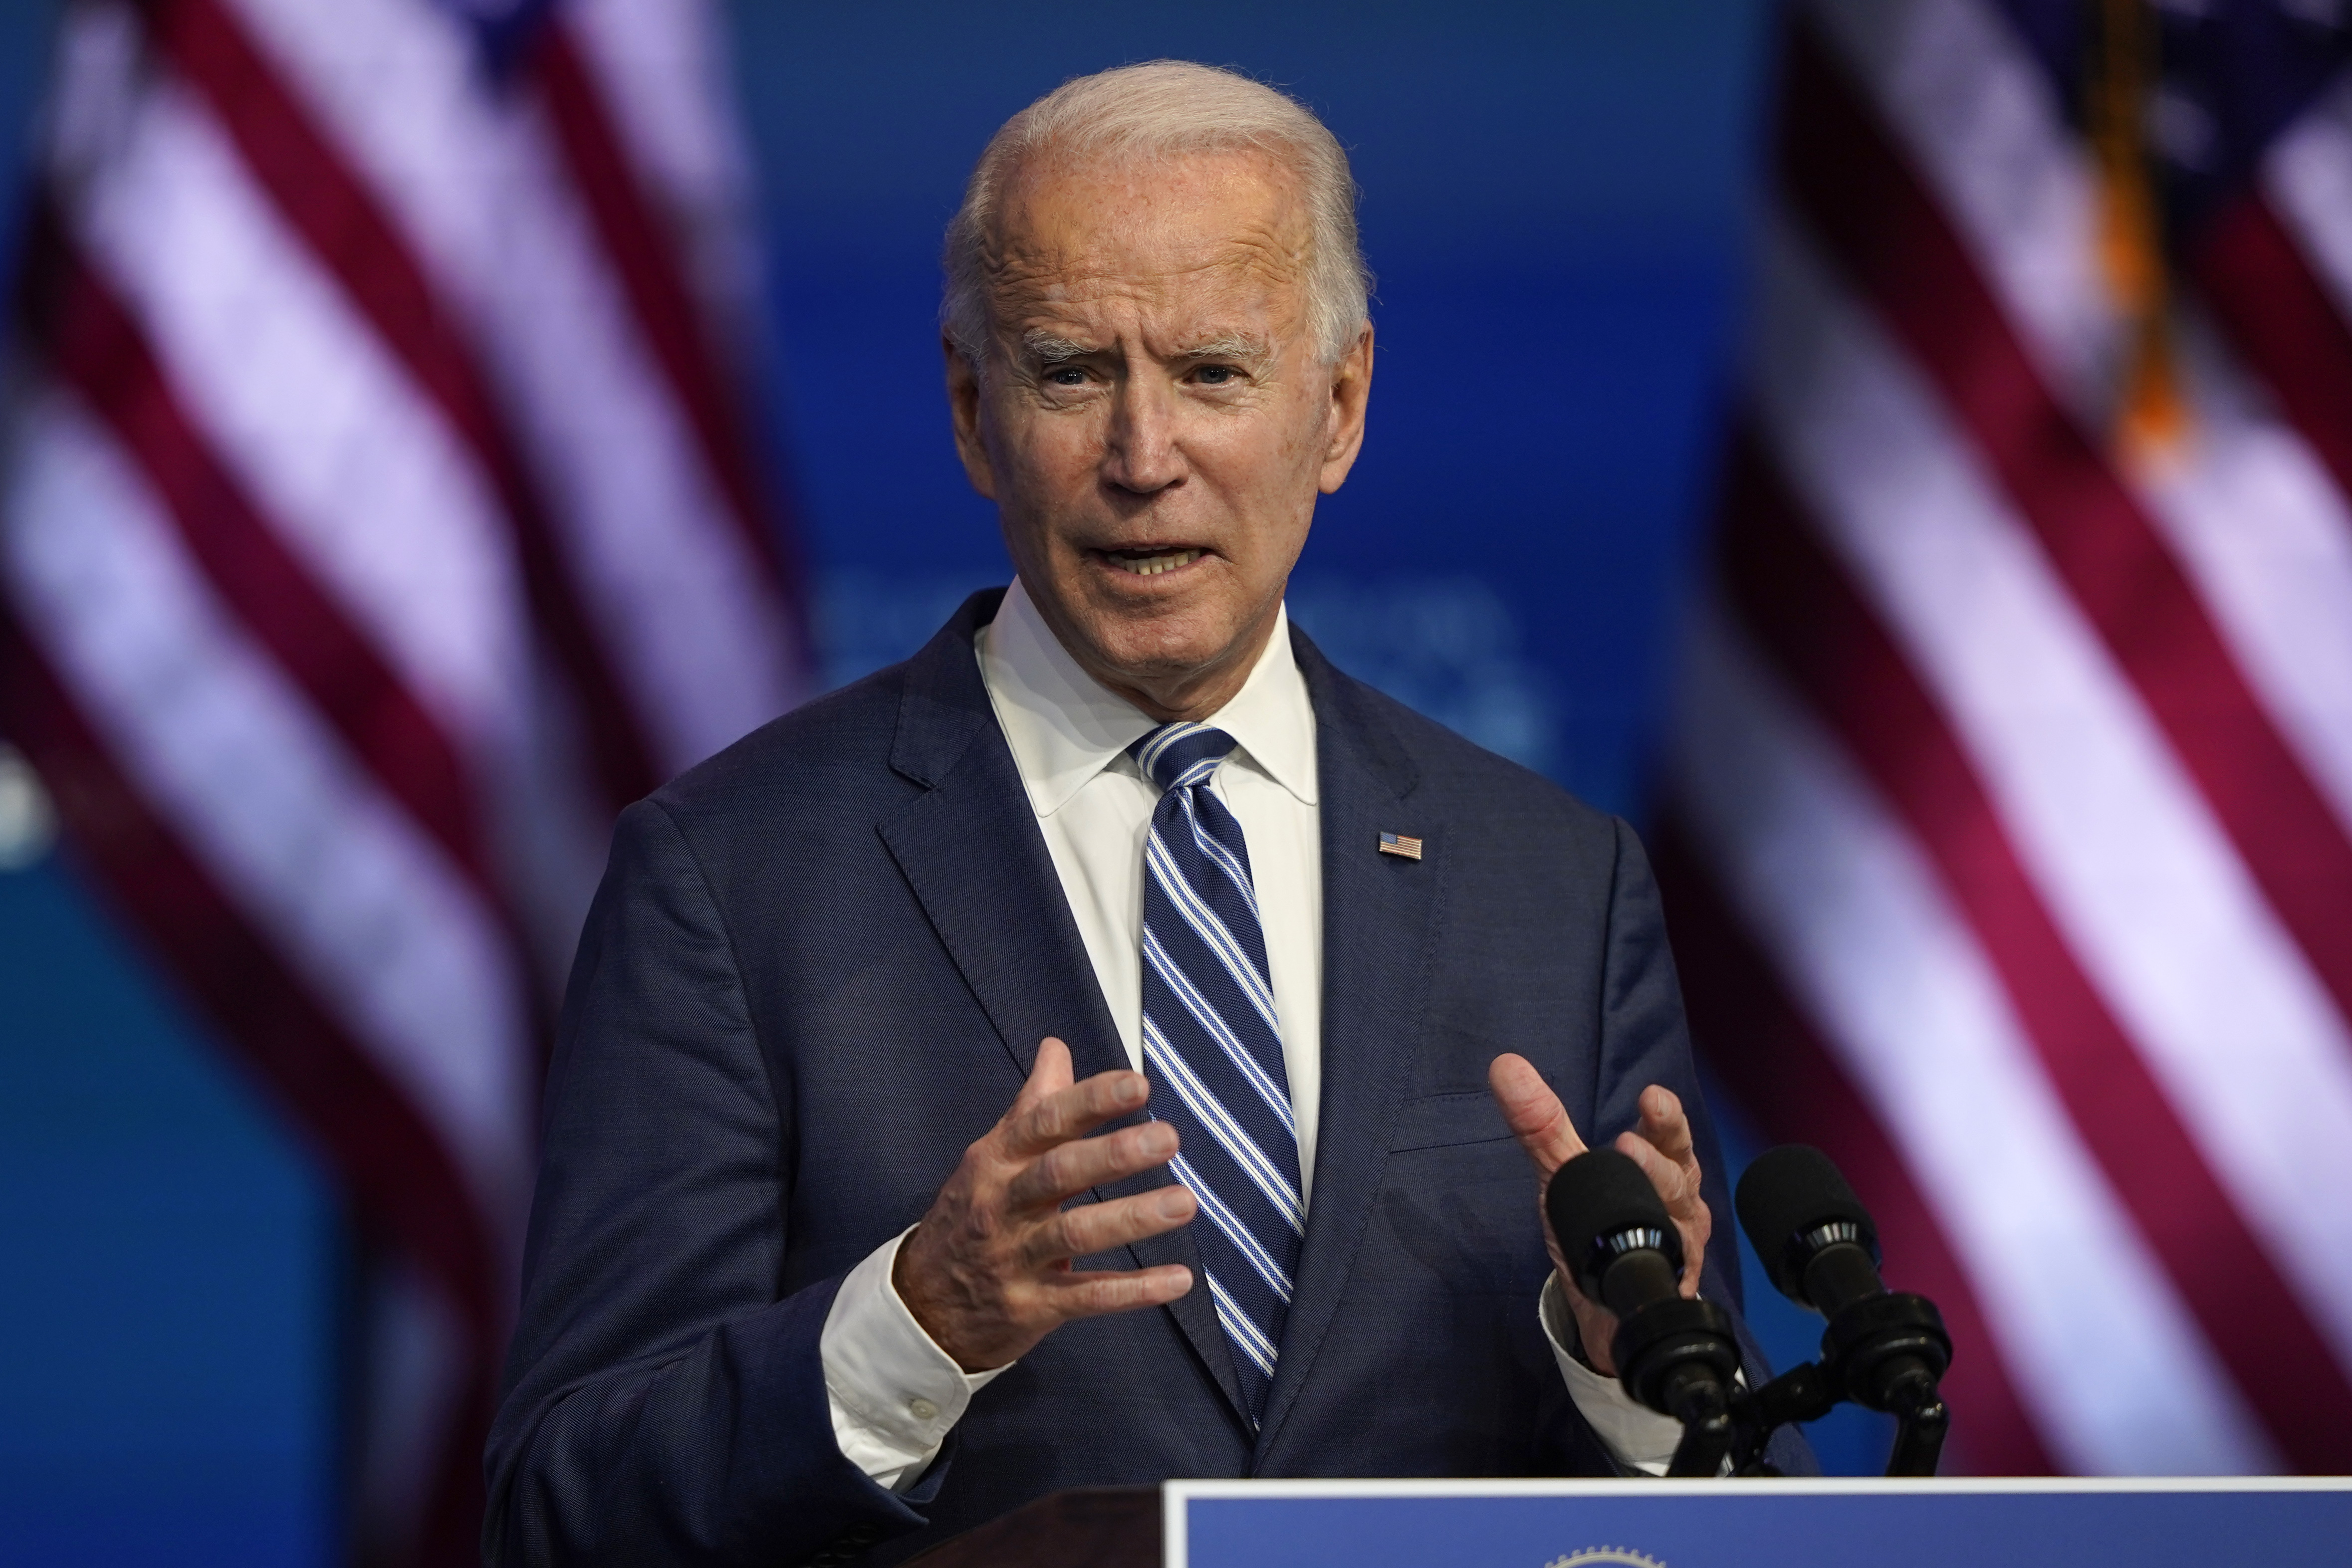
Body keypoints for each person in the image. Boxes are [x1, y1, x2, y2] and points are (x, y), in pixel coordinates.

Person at [484, 60, 1807, 1568]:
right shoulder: (729, 877)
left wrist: (1616, 1358)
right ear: (974, 413)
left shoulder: (1552, 884)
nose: (1141, 456)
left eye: (1213, 374)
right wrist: (916, 1324)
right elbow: (562, 1513)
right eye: (1068, 373)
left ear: (1340, 406)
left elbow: (1719, 1491)